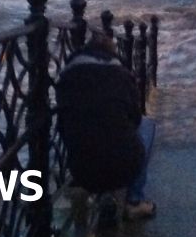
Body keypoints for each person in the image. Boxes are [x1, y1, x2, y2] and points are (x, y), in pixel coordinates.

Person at [56, 33, 156, 221]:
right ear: (112, 55)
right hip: (124, 167)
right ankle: (135, 201)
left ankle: (100, 195)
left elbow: (62, 124)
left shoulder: (67, 76)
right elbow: (135, 119)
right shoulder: (122, 76)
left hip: (81, 172)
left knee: (90, 131)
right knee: (147, 125)